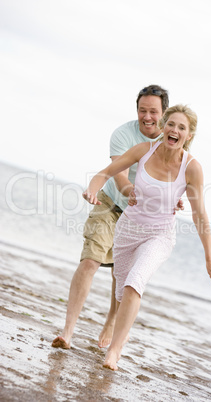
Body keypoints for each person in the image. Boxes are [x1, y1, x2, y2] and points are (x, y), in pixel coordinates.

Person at [83, 104, 211, 370]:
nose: (175, 130)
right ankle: (115, 331)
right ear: (163, 127)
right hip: (127, 231)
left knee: (135, 283)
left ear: (189, 135)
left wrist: (210, 257)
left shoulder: (191, 168)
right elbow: (107, 173)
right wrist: (92, 189)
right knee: (122, 292)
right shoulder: (143, 151)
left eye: (182, 128)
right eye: (171, 124)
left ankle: (115, 350)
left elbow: (200, 215)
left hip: (159, 236)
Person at [52, 85, 183, 350]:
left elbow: (178, 175)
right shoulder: (123, 134)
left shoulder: (172, 138)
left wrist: (174, 198)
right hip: (111, 204)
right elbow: (118, 171)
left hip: (143, 219)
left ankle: (111, 320)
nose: (147, 117)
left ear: (164, 113)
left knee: (121, 278)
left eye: (153, 112)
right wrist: (126, 191)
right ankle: (67, 332)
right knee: (90, 260)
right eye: (142, 110)